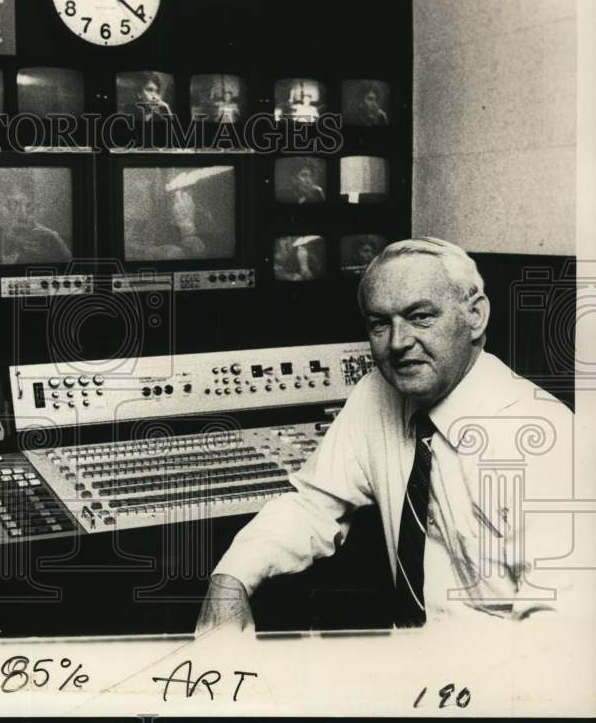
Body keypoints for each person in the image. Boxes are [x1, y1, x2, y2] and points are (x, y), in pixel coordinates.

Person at [197, 237, 577, 635]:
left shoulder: (545, 436)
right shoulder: (376, 393)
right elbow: (312, 505)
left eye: (420, 317)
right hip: (409, 663)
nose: (398, 343)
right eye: (380, 323)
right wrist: (231, 579)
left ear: (476, 316)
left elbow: (554, 630)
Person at [0, 182, 72, 264]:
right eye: (14, 204)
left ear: (34, 207)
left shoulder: (50, 237)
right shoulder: (3, 236)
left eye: (28, 205)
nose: (21, 211)